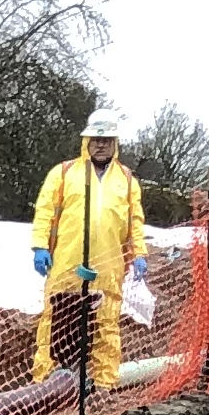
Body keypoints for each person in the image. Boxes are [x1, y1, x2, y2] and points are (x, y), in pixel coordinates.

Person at [30, 107, 146, 392]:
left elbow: (135, 221)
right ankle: (47, 380)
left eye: (106, 140)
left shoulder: (127, 180)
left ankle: (102, 382)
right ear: (87, 141)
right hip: (66, 262)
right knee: (56, 320)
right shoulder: (64, 173)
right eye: (96, 139)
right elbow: (44, 211)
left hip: (108, 264)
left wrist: (140, 253)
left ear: (114, 144)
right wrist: (39, 246)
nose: (101, 144)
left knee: (105, 323)